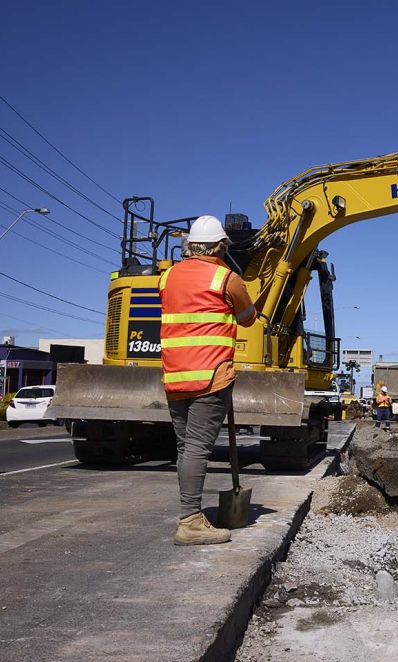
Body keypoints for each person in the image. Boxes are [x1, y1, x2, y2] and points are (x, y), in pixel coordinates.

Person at [160, 215, 257, 546]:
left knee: (185, 448)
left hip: (175, 376)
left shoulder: (167, 277)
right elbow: (247, 318)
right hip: (210, 377)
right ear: (221, 246)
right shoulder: (226, 278)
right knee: (198, 448)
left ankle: (191, 514)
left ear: (189, 246)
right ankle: (189, 521)